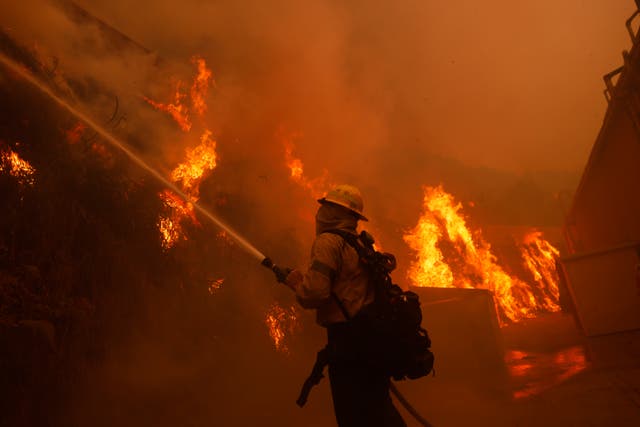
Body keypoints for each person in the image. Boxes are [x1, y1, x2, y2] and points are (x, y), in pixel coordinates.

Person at [285, 184, 406, 427]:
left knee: (355, 416)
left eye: (326, 208)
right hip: (372, 342)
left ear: (332, 212)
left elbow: (315, 294)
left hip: (349, 346)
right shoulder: (359, 243)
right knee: (379, 411)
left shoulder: (328, 242)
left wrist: (296, 283)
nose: (320, 214)